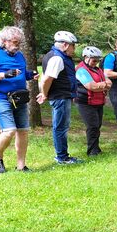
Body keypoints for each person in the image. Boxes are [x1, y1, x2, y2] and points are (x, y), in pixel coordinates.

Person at [0, 26, 39, 173]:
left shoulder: (19, 55)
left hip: (19, 97)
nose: (18, 45)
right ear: (4, 41)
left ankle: (21, 166)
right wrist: (4, 75)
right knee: (9, 131)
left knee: (23, 131)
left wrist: (30, 75)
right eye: (15, 42)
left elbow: (21, 74)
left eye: (19, 43)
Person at [37, 31, 80, 165]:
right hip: (60, 97)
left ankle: (62, 155)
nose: (74, 49)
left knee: (60, 126)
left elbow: (44, 78)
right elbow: (47, 79)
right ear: (66, 45)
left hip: (62, 95)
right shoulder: (57, 58)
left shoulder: (54, 56)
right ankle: (62, 157)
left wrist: (43, 92)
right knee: (60, 127)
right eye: (73, 46)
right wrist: (44, 94)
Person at [75, 46, 111, 156]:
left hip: (98, 101)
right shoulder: (81, 70)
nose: (96, 63)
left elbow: (109, 82)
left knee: (97, 125)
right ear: (86, 57)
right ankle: (92, 151)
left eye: (98, 60)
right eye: (94, 60)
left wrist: (102, 85)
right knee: (92, 126)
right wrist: (104, 85)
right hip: (85, 102)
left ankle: (96, 148)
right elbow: (91, 86)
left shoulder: (97, 69)